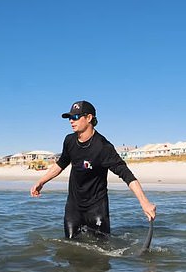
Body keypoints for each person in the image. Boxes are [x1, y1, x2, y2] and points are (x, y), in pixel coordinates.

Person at [30, 100, 156, 239]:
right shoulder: (69, 141)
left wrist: (144, 202)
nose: (71, 121)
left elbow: (126, 175)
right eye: (70, 118)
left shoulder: (103, 147)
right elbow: (61, 163)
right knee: (70, 246)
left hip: (97, 208)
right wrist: (41, 182)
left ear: (89, 118)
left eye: (76, 117)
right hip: (74, 206)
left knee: (101, 250)